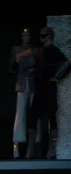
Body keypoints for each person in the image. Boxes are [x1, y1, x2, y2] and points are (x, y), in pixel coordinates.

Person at [26, 26, 69, 159]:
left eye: (43, 36)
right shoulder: (39, 51)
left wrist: (57, 77)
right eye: (41, 35)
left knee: (51, 118)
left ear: (49, 36)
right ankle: (30, 149)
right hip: (39, 88)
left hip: (49, 88)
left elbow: (67, 64)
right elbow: (30, 64)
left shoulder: (55, 51)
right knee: (33, 118)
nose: (41, 38)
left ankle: (51, 150)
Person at [9, 28, 37, 159]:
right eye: (24, 35)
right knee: (20, 115)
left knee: (34, 115)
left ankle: (34, 146)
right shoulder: (16, 49)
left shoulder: (34, 49)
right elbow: (12, 67)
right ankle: (16, 147)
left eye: (28, 35)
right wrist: (16, 61)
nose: (26, 37)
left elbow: (37, 64)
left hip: (32, 84)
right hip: (21, 84)